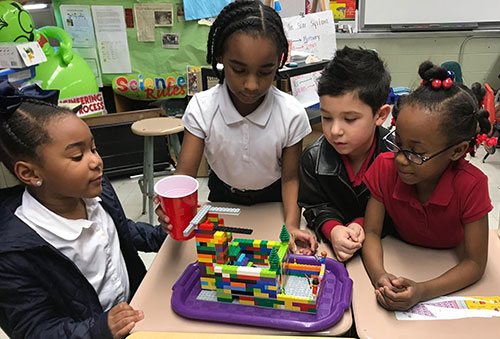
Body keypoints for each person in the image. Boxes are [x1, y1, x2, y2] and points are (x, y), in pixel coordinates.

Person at [0, 81, 167, 339]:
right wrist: (99, 329)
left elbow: (118, 232)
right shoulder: (16, 252)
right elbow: (35, 330)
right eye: (77, 156)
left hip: (136, 318)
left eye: (93, 148)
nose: (96, 161)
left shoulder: (96, 194)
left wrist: (160, 235)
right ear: (29, 173)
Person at [157, 0, 317, 255]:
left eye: (266, 71)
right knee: (223, 262)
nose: (251, 85)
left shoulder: (291, 113)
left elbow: (290, 178)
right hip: (222, 197)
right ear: (220, 57)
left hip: (273, 200)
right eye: (238, 69)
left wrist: (291, 224)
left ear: (280, 61)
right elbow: (185, 175)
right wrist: (173, 205)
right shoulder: (202, 107)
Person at [362, 61, 492, 311]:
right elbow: (371, 233)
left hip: (444, 266)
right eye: (397, 143)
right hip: (400, 255)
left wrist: (422, 291)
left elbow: (475, 264)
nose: (400, 158)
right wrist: (379, 275)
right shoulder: (384, 167)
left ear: (457, 151)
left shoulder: (472, 185)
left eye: (416, 153)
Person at [298, 46, 391, 262]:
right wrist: (333, 230)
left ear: (380, 115)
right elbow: (315, 206)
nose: (334, 130)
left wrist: (360, 224)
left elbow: (400, 209)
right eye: (327, 117)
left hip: (388, 251)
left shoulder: (397, 157)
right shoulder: (312, 158)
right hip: (331, 252)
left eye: (349, 119)